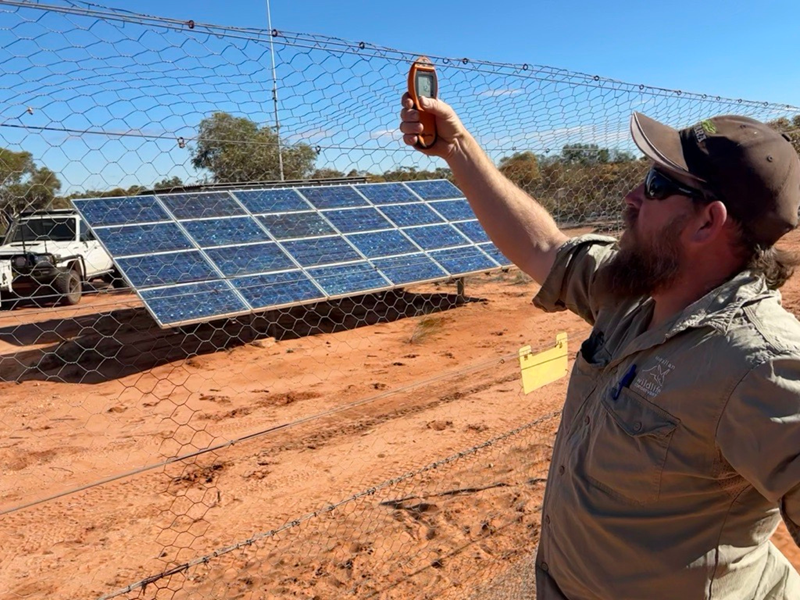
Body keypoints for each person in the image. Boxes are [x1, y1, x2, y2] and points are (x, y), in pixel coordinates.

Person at [400, 94, 800, 599]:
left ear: (707, 223)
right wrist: (455, 145)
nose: (632, 196)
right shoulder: (631, 294)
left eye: (656, 185)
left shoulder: (761, 363)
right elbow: (545, 247)